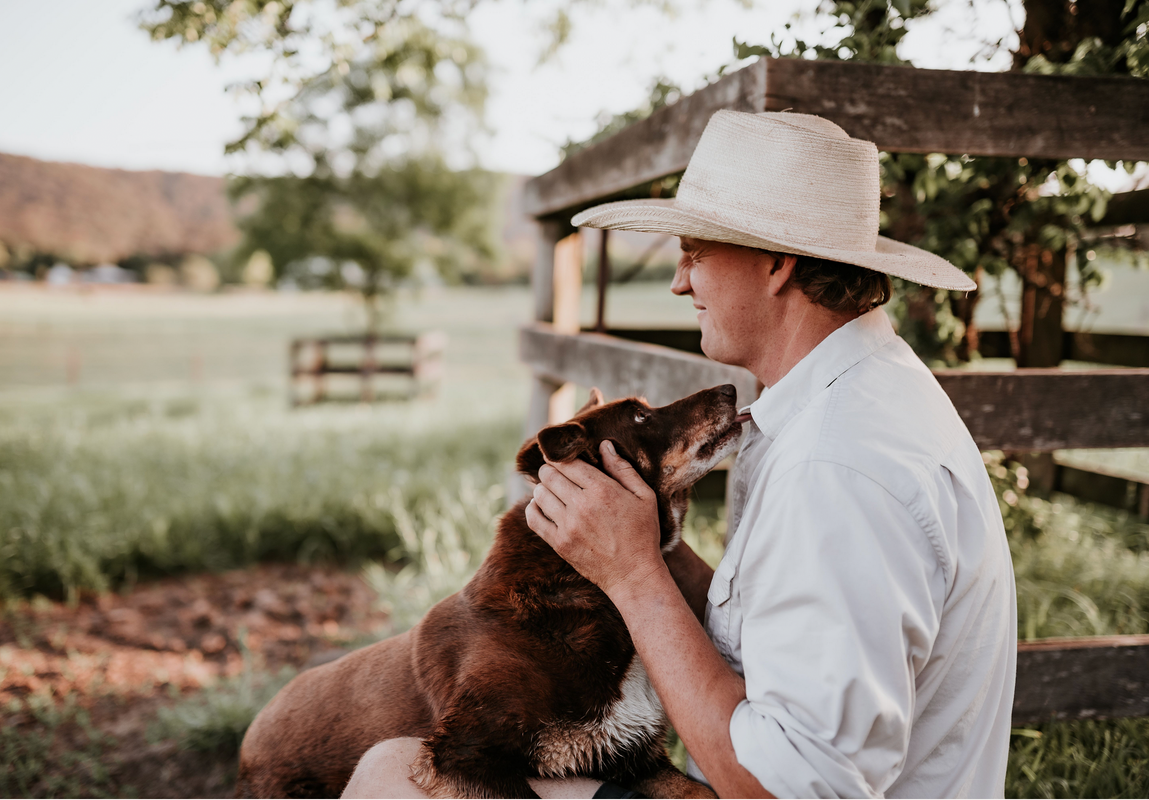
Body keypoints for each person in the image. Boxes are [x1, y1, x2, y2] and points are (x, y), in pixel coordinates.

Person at [346, 110, 1017, 798]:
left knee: (391, 778)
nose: (678, 281)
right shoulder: (859, 396)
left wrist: (634, 574)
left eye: (695, 253)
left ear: (777, 265)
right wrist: (631, 532)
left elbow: (788, 787)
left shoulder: (838, 468)